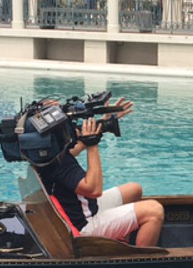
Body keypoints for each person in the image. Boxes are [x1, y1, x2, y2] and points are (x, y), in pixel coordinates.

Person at [35, 98, 165, 247]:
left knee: (134, 189)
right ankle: (140, 261)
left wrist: (102, 125)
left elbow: (73, 150)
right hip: (84, 227)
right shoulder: (58, 161)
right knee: (154, 211)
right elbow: (94, 190)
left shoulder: (46, 153)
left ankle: (120, 245)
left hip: (85, 209)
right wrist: (92, 145)